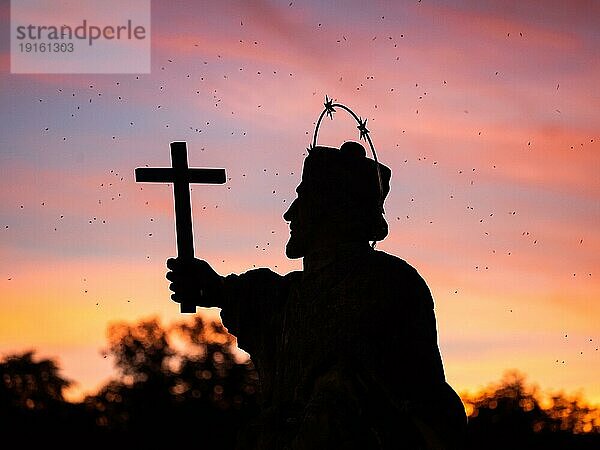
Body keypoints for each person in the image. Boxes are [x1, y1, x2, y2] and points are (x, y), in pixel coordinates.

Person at [166, 141, 467, 449]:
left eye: (302, 199)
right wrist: (212, 287)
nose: (289, 214)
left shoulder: (387, 282)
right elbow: (254, 295)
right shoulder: (292, 294)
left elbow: (421, 396)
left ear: (331, 207)